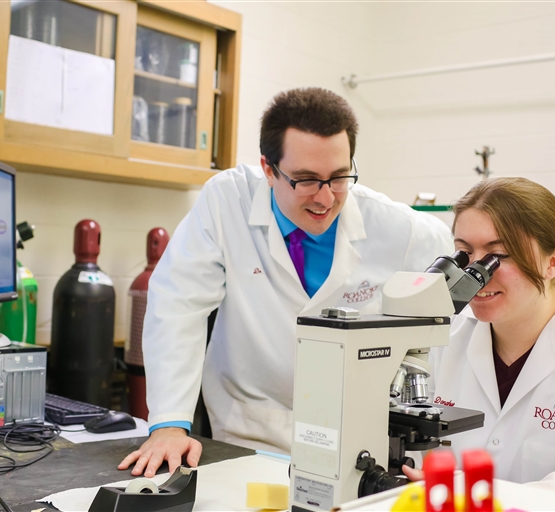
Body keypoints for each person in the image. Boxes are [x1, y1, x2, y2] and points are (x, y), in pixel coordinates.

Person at [119, 88, 454, 478]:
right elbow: (178, 306)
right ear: (268, 168)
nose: (326, 198)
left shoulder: (402, 229)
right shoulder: (227, 202)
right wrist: (169, 424)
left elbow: (443, 317)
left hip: (358, 441)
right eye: (306, 180)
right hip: (250, 434)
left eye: (340, 177)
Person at [402, 177, 555, 504]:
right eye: (464, 253)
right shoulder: (444, 335)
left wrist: (474, 496)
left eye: (498, 256)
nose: (475, 274)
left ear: (552, 262)